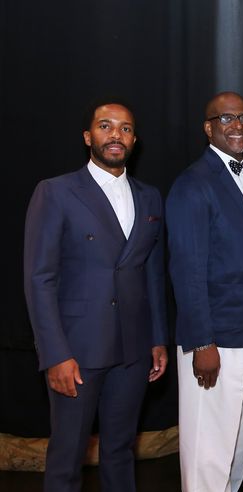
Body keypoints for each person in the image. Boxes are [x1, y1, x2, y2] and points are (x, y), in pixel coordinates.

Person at [23, 99, 168, 492]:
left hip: (133, 351)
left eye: (124, 128)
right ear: (89, 136)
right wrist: (55, 354)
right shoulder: (55, 192)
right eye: (106, 126)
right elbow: (40, 279)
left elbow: (152, 273)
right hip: (77, 351)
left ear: (134, 140)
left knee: (121, 451)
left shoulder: (150, 197)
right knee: (68, 455)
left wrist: (157, 338)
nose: (115, 135)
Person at [166, 91, 243, 492]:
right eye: (226, 118)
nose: (238, 126)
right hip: (216, 339)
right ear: (208, 127)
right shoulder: (192, 185)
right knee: (207, 454)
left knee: (238, 447)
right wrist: (202, 342)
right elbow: (187, 269)